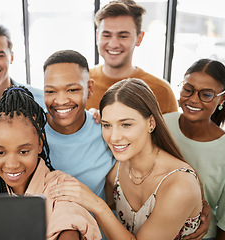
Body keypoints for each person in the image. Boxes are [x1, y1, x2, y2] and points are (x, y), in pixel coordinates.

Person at [50, 78, 204, 239]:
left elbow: (101, 208)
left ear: (151, 123)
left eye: (126, 124)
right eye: (107, 125)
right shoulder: (117, 170)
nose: (114, 137)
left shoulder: (180, 185)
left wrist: (97, 205)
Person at [0, 86, 101, 240]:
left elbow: (70, 231)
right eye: (0, 152)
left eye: (23, 151)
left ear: (40, 144)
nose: (12, 164)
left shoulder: (61, 187)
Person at [163, 59, 225, 240]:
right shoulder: (161, 124)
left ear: (223, 98)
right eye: (188, 90)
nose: (193, 99)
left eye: (206, 94)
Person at [43, 50, 115, 202]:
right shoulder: (31, 132)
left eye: (72, 90)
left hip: (94, 224)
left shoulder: (105, 131)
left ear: (89, 89)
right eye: (50, 91)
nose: (61, 101)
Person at [86, 0, 178, 114]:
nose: (113, 44)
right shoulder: (81, 84)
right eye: (106, 35)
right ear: (97, 36)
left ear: (139, 39)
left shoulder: (161, 91)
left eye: (123, 36)